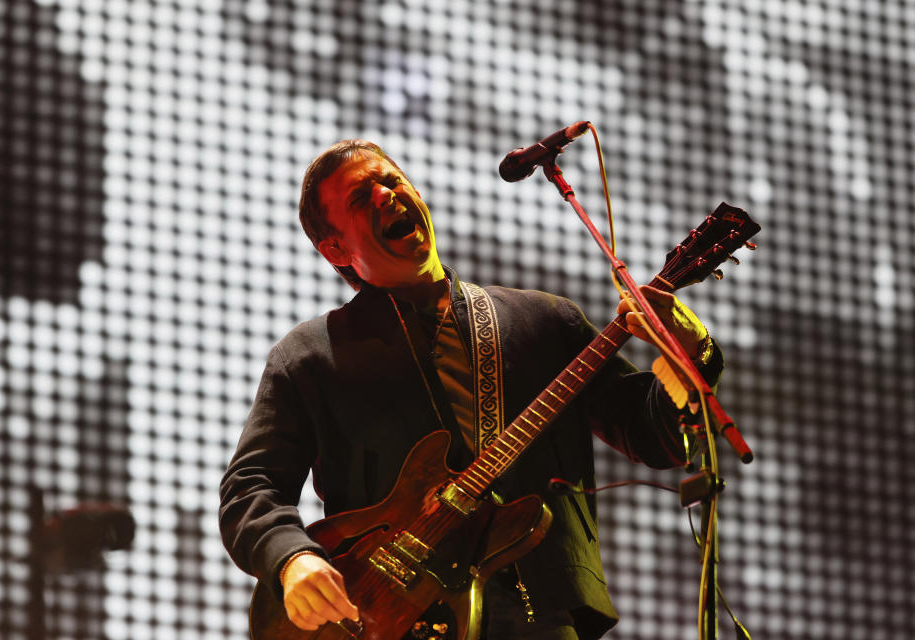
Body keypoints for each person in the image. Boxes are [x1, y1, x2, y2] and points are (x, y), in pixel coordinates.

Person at [219, 139, 723, 639]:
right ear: (335, 248)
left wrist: (690, 350)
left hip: (539, 613)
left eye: (391, 180)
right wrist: (291, 558)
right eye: (359, 197)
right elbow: (251, 486)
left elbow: (656, 436)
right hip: (388, 618)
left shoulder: (544, 321)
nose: (385, 195)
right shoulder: (310, 355)